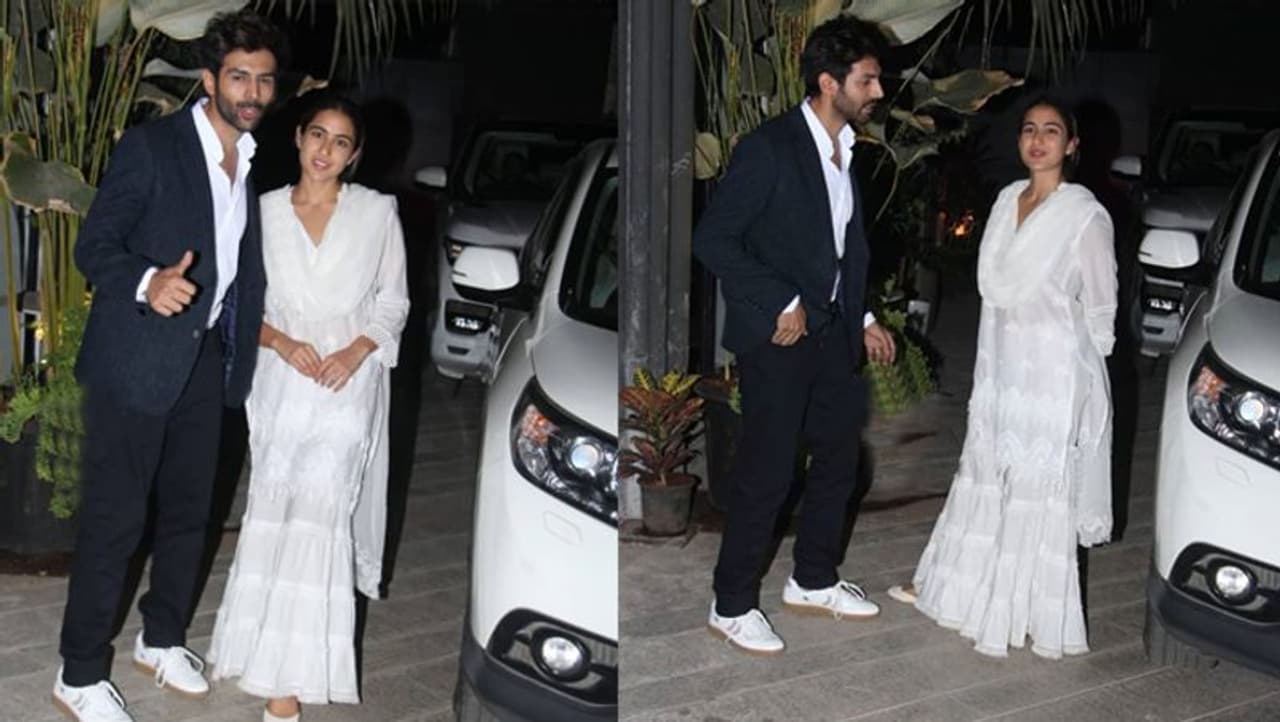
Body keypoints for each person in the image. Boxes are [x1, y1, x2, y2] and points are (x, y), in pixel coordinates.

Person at [51, 10, 284, 722]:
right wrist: (149, 280)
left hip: (205, 361)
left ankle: (161, 638)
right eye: (238, 77)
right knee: (116, 521)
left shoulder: (251, 160)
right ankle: (78, 672)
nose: (252, 92)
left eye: (264, 80)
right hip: (135, 359)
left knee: (190, 512)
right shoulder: (153, 147)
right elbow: (95, 244)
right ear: (209, 80)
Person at [692, 16, 898, 656]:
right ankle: (730, 604)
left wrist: (863, 317)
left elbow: (840, 248)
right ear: (829, 82)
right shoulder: (770, 148)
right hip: (778, 341)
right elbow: (713, 240)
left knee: (839, 460)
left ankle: (813, 579)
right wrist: (780, 300)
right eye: (867, 80)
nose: (878, 92)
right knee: (769, 472)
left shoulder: (846, 150)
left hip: (833, 334)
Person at [887, 98, 1118, 659]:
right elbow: (994, 287)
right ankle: (957, 585)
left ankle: (1026, 608)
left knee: (1035, 484)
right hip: (1000, 367)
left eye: (1052, 131)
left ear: (1072, 145)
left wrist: (1087, 386)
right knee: (986, 469)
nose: (1038, 140)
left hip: (1052, 374)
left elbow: (1102, 307)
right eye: (1029, 129)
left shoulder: (1085, 216)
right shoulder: (1005, 200)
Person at [206, 92, 409, 722]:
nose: (325, 150)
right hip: (280, 382)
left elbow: (393, 301)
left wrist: (354, 351)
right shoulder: (262, 211)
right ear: (298, 137)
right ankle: (261, 653)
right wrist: (280, 342)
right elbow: (237, 302)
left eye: (341, 141)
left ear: (355, 155)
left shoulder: (377, 213)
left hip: (348, 383)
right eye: (318, 134)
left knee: (321, 514)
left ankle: (287, 686)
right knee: (275, 507)